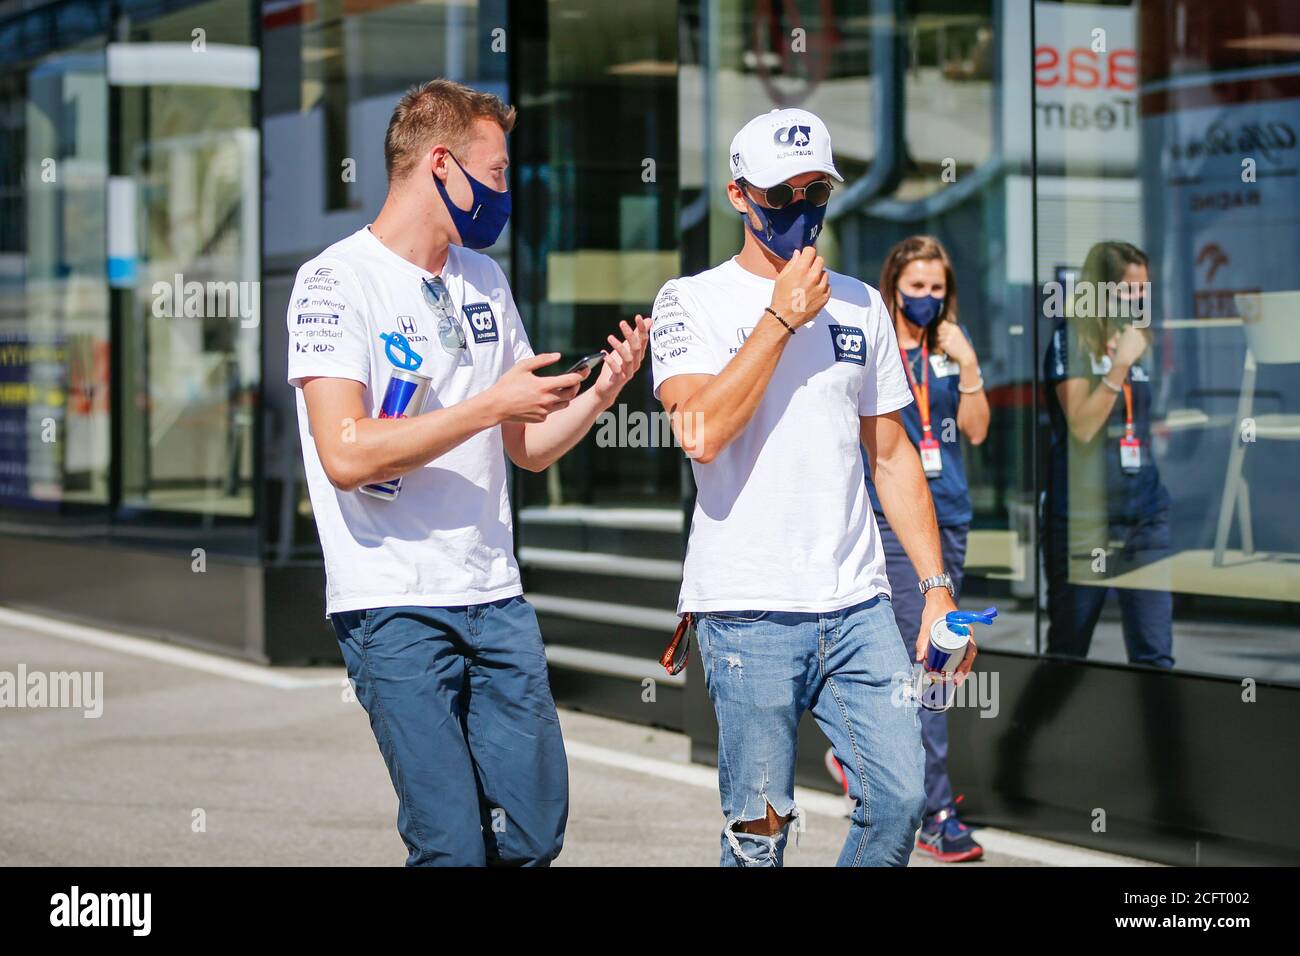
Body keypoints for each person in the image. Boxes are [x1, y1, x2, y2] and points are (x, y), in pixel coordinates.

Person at [286, 79, 647, 866]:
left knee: (534, 829)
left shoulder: (482, 279)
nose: (506, 189)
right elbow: (345, 453)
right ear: (440, 164)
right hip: (394, 605)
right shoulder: (334, 281)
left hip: (494, 597)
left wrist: (603, 392)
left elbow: (527, 446)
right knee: (451, 844)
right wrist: (489, 405)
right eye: (499, 171)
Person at [651, 107, 975, 868]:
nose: (801, 211)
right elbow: (698, 432)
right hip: (747, 609)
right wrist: (780, 320)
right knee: (760, 836)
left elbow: (892, 456)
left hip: (858, 604)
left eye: (815, 191)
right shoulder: (689, 301)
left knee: (900, 798)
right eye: (782, 194)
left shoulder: (864, 303)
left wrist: (934, 590)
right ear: (738, 195)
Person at [866, 235, 990, 862]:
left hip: (952, 516)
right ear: (893, 286)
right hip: (896, 523)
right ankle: (935, 809)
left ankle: (860, 753)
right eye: (916, 287)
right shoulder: (878, 348)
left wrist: (968, 368)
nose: (927, 299)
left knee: (932, 663)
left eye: (937, 288)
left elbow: (977, 430)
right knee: (935, 660)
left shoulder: (947, 348)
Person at [1043, 240, 1173, 667]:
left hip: (1144, 516)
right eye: (1127, 289)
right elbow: (1081, 424)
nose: (1138, 298)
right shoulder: (1071, 341)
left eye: (1143, 289)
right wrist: (1118, 368)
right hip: (1085, 519)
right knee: (1070, 648)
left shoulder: (1138, 338)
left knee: (1154, 653)